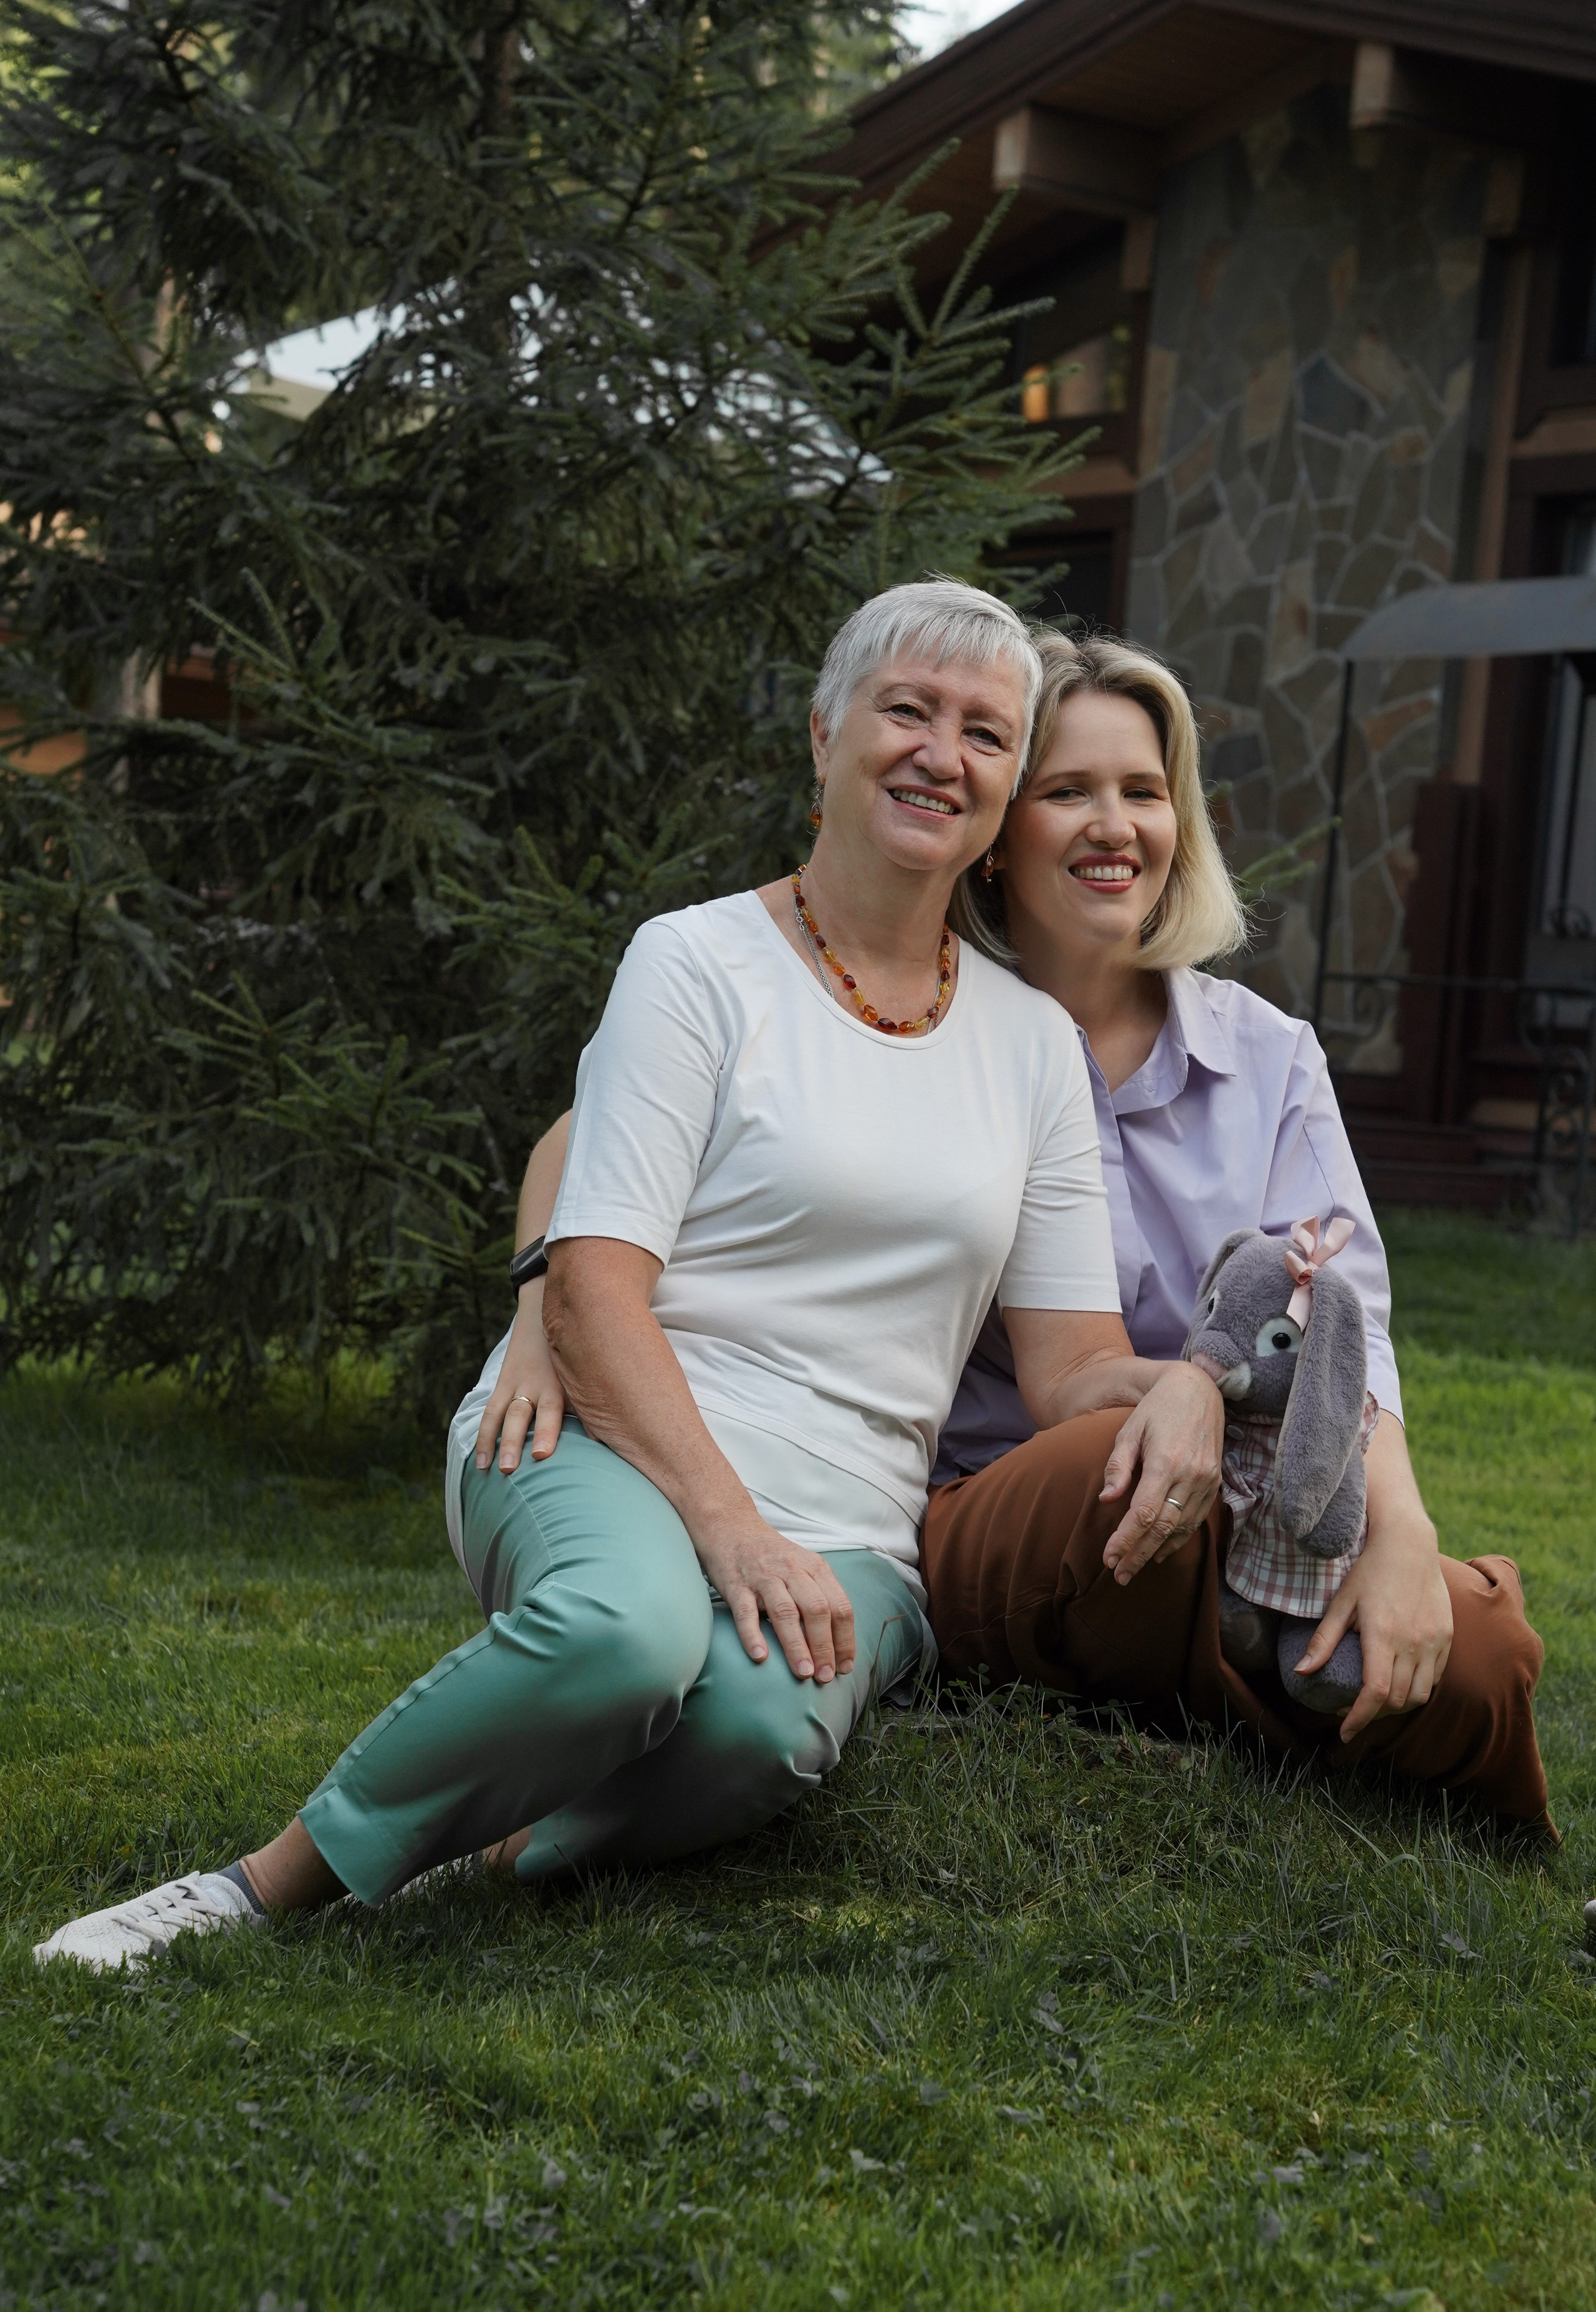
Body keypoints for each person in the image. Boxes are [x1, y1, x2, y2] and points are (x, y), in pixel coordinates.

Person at [36, 580, 1228, 1972]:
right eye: (905, 709)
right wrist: (725, 1527)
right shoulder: (697, 962)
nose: (937, 753)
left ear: (1003, 786)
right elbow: (595, 1286)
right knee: (625, 1635)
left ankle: (496, 1846)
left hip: (848, 1517)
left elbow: (1067, 1362)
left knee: (756, 1731)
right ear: (824, 735)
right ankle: (261, 1886)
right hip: (604, 1435)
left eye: (981, 732)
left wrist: (1189, 1382)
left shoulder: (1028, 1043)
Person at [924, 629, 1552, 1836]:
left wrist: (1403, 1534)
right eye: (1067, 792)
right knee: (1110, 1481)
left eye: (1142, 792)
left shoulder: (1267, 1056)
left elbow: (1338, 1320)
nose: (1114, 825)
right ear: (999, 836)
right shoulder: (933, 1031)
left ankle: (1272, 1672)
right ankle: (1281, 1701)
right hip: (1023, 1504)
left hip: (1250, 1516)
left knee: (1472, 1661)